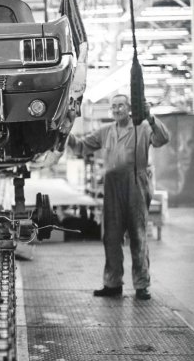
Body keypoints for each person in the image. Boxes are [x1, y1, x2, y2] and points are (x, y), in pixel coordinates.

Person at [67, 93, 170, 300]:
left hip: (136, 183)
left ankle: (142, 285)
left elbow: (163, 138)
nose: (117, 109)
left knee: (138, 235)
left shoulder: (143, 127)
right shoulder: (105, 131)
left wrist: (151, 117)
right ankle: (113, 283)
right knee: (111, 236)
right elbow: (81, 146)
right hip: (113, 186)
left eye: (121, 105)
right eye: (114, 106)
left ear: (129, 108)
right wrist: (64, 133)